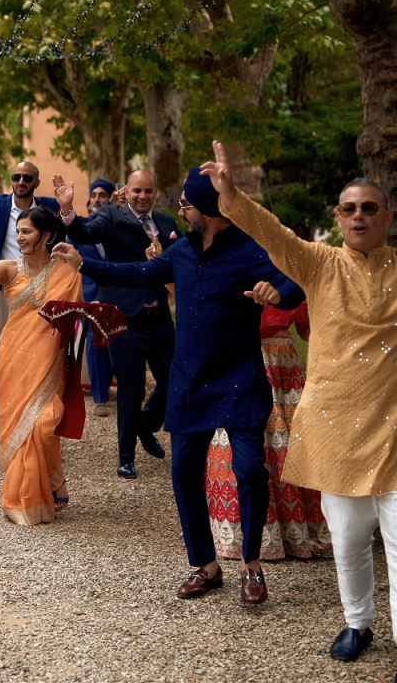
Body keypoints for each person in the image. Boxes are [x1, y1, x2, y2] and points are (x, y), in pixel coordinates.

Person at [53, 167, 303, 604]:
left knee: (250, 471)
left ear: (207, 209)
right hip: (190, 381)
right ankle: (205, 566)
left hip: (240, 379)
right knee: (184, 473)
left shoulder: (248, 250)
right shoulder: (182, 251)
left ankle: (251, 565)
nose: (181, 210)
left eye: (186, 204)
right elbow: (136, 272)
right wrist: (83, 262)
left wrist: (275, 293)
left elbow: (293, 283)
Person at [202, 142, 397, 664]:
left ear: (387, 216)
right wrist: (231, 195)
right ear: (338, 218)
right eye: (349, 209)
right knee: (348, 540)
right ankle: (357, 624)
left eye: (369, 208)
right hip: (337, 431)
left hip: (394, 428)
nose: (359, 216)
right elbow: (275, 235)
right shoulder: (320, 264)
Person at [0, 205, 80, 525]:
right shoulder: (10, 268)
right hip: (14, 358)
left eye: (27, 231)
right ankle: (29, 497)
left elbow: (76, 312)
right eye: (18, 232)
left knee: (45, 422)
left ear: (47, 235)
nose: (20, 237)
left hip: (49, 360)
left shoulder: (66, 270)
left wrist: (78, 265)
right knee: (21, 427)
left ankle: (51, 480)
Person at [56, 169, 178, 479]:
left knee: (175, 380)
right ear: (127, 190)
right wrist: (67, 209)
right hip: (123, 317)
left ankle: (144, 425)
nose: (142, 196)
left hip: (159, 317)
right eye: (137, 190)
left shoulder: (166, 223)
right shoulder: (112, 215)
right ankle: (126, 457)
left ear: (155, 193)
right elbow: (83, 233)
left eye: (148, 191)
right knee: (131, 387)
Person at [206, 301, 333, 561]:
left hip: (282, 361)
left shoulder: (291, 279)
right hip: (245, 355)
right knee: (245, 443)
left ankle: (291, 530)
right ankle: (252, 533)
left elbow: (309, 328)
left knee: (288, 443)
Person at [0, 161, 60, 360]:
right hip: (2, 288)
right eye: (16, 177)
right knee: (0, 353)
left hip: (41, 290)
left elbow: (71, 229)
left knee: (36, 354)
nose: (21, 181)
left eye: (27, 178)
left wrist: (66, 207)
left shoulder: (49, 207)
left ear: (36, 183)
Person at [79, 179, 117, 417]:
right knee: (95, 344)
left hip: (119, 292)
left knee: (118, 341)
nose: (97, 199)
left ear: (112, 198)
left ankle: (117, 388)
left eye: (102, 195)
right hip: (91, 295)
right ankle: (99, 398)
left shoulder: (121, 226)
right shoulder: (82, 227)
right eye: (94, 195)